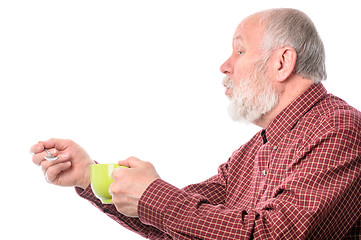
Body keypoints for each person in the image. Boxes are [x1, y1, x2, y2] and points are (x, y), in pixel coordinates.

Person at [31, 8, 361, 239]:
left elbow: (274, 234)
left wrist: (152, 196)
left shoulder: (341, 130)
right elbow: (182, 225)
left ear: (282, 62)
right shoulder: (252, 151)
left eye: (240, 51)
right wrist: (91, 176)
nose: (225, 65)